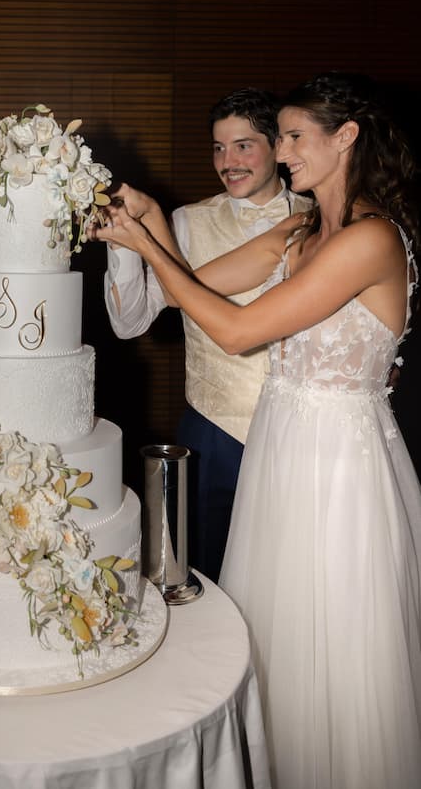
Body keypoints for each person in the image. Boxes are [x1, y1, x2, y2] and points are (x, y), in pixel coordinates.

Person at [91, 72, 421, 788]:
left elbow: (237, 330)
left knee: (332, 641)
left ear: (346, 139)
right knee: (272, 632)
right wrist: (149, 223)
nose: (282, 150)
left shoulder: (372, 239)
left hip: (339, 466)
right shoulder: (302, 225)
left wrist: (148, 248)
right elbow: (199, 288)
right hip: (281, 448)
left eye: (294, 137)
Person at [103, 88, 311, 582]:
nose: (228, 161)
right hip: (212, 430)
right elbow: (128, 322)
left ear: (278, 147)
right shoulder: (186, 222)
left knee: (287, 573)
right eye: (218, 148)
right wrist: (127, 244)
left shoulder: (319, 216)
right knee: (206, 571)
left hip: (297, 428)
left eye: (243, 145)